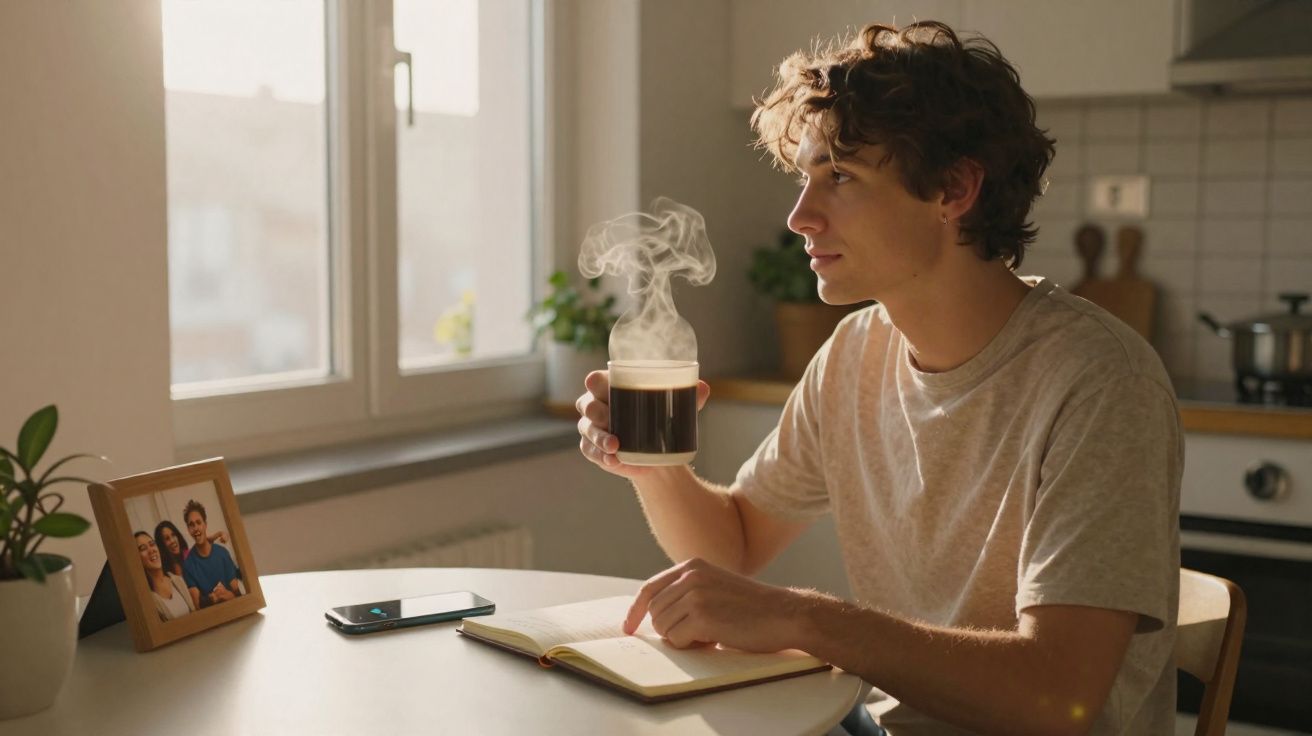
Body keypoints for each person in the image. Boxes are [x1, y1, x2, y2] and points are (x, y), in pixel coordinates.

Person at [576, 20, 1181, 736]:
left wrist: (802, 618)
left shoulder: (1099, 382)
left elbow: (1058, 699)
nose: (801, 216)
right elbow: (733, 542)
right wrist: (653, 463)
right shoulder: (855, 354)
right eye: (805, 178)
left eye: (841, 177)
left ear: (954, 189)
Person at [180, 500, 243, 610]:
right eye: (191, 525)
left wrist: (229, 596)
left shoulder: (222, 553)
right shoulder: (188, 565)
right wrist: (215, 597)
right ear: (188, 530)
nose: (195, 528)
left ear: (205, 524)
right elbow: (198, 605)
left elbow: (237, 592)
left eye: (198, 523)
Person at [135, 531, 196, 621]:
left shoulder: (178, 581)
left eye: (152, 544)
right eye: (143, 548)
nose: (151, 550)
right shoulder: (146, 598)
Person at [155, 519, 228, 579]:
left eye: (173, 535)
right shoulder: (165, 572)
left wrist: (221, 534)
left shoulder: (188, 554)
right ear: (162, 545)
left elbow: (207, 541)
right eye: (167, 539)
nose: (173, 541)